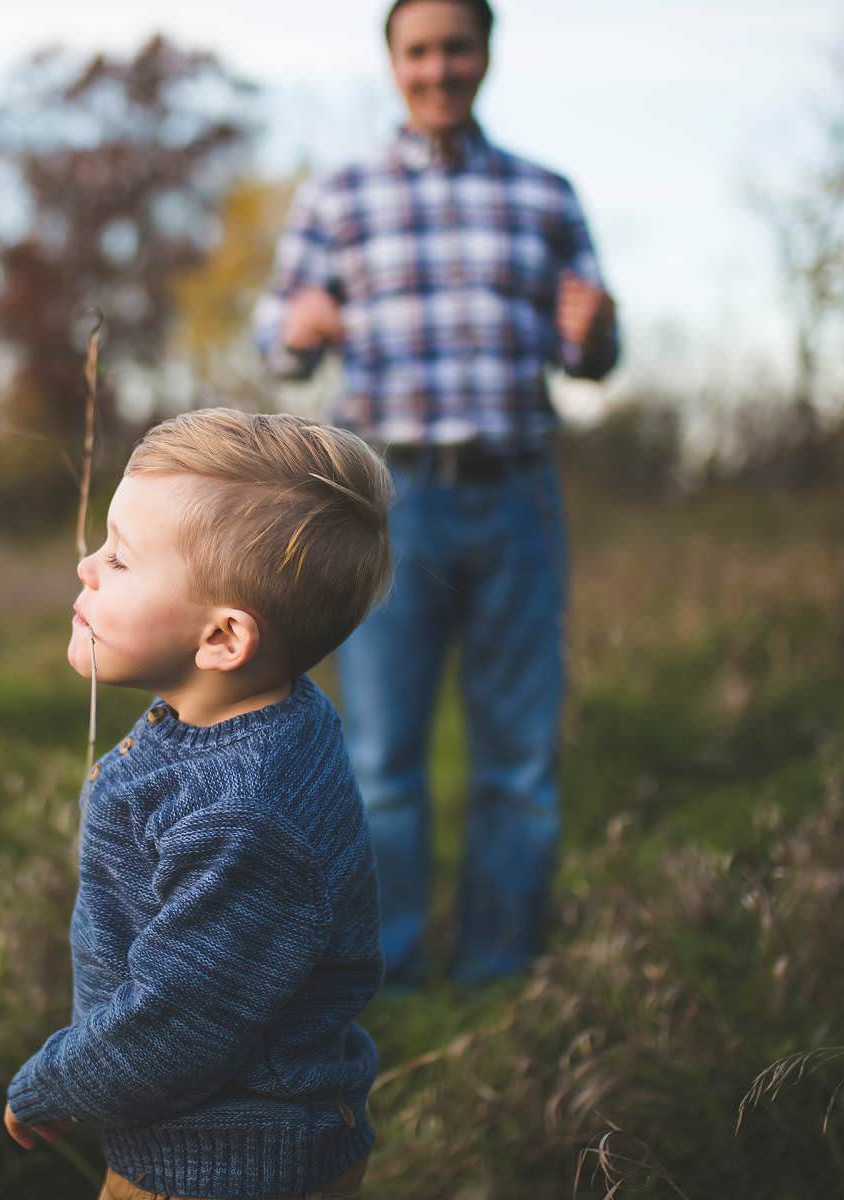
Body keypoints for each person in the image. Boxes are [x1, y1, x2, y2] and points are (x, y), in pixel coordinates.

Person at [252, 0, 620, 989]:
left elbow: (591, 354)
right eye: (418, 51)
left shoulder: (546, 194)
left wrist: (595, 334)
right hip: (387, 505)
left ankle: (500, 969)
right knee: (381, 764)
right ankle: (395, 969)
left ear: (486, 55)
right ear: (393, 63)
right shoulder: (338, 197)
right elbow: (274, 339)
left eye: (456, 47)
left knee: (520, 765)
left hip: (517, 501)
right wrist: (300, 325)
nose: (438, 68)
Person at [4, 408, 392, 1200]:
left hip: (222, 1165)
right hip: (201, 1144)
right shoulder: (263, 711)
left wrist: (55, 1081)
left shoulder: (247, 819)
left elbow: (178, 1023)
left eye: (120, 560)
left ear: (221, 640)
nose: (86, 565)